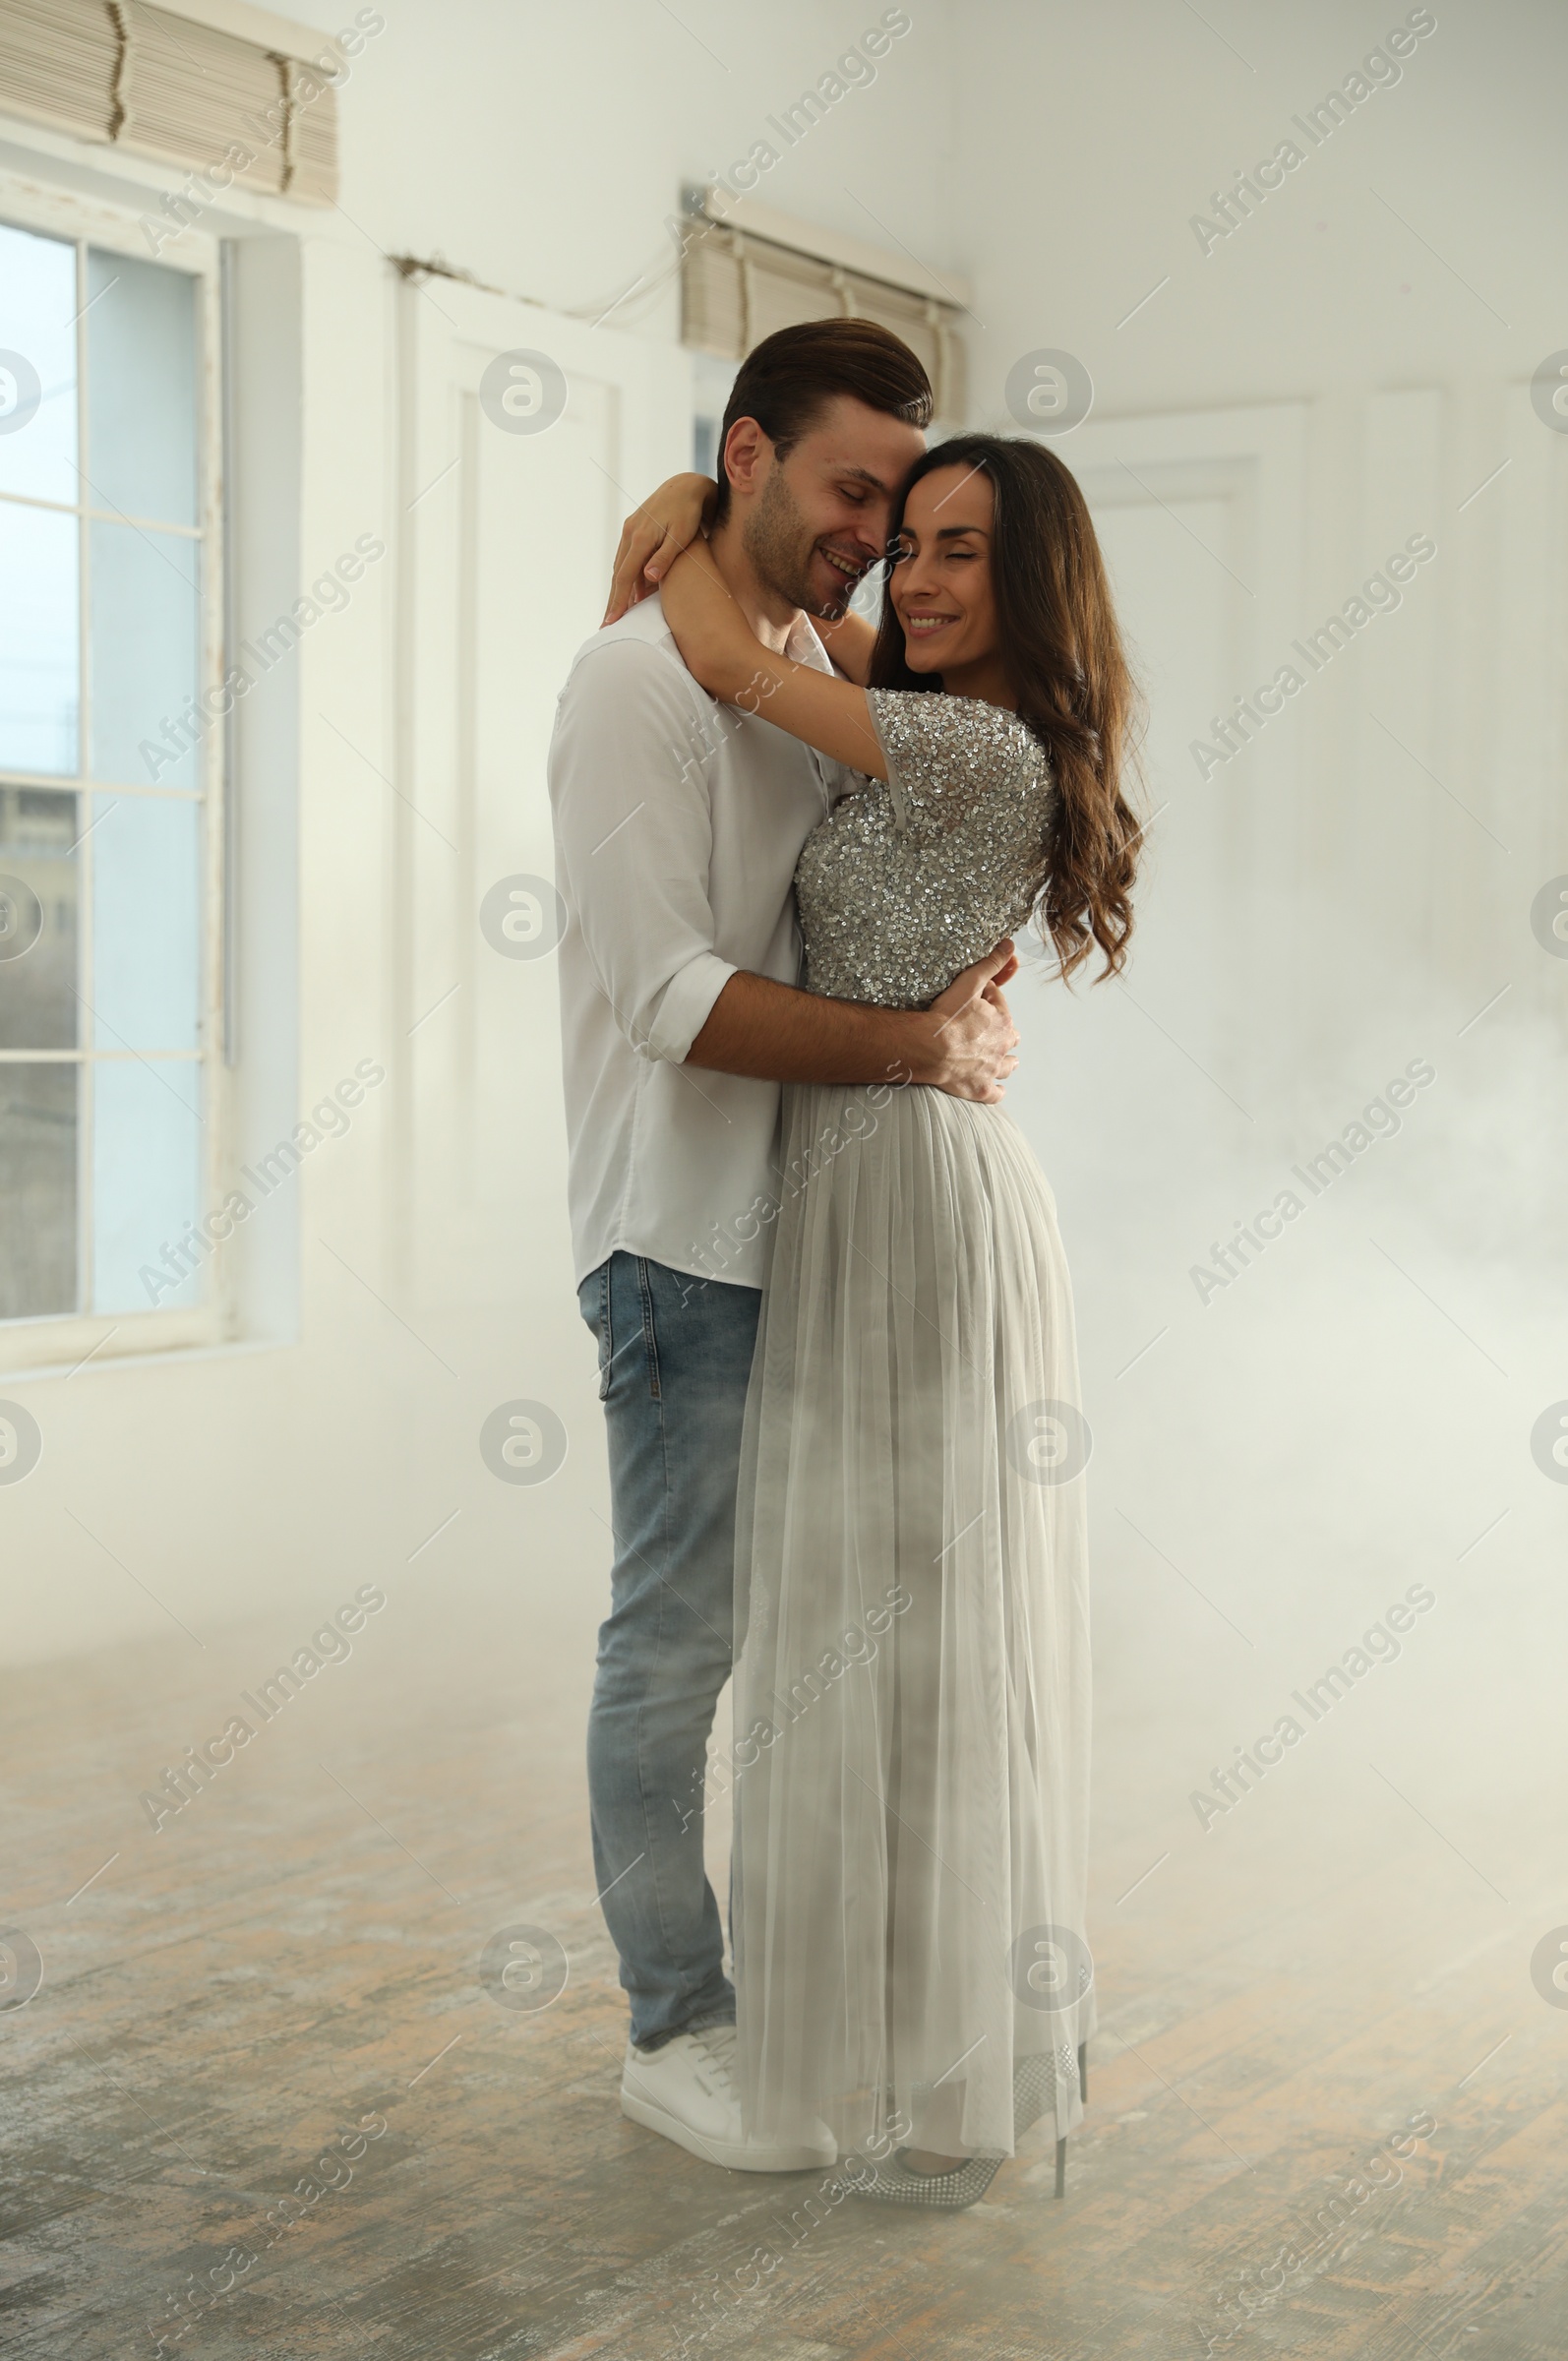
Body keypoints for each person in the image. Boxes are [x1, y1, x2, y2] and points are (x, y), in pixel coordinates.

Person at [631, 426, 1142, 2209]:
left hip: (905, 1189)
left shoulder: (968, 743)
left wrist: (684, 512)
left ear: (1033, 583)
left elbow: (715, 651)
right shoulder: (946, 714)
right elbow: (791, 652)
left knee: (897, 1626)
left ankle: (881, 2069)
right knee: (876, 1620)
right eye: (904, 541)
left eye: (960, 553)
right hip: (881, 1170)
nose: (913, 580)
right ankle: (895, 2058)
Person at [546, 319, 1020, 2177]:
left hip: (823, 1239)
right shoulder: (629, 686)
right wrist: (929, 1048)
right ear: (745, 457)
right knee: (679, 1651)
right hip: (679, 1242)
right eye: (850, 492)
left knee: (824, 1647)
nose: (880, 540)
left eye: (903, 510)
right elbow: (670, 996)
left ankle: (838, 2001)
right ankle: (680, 2026)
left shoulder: (805, 658)